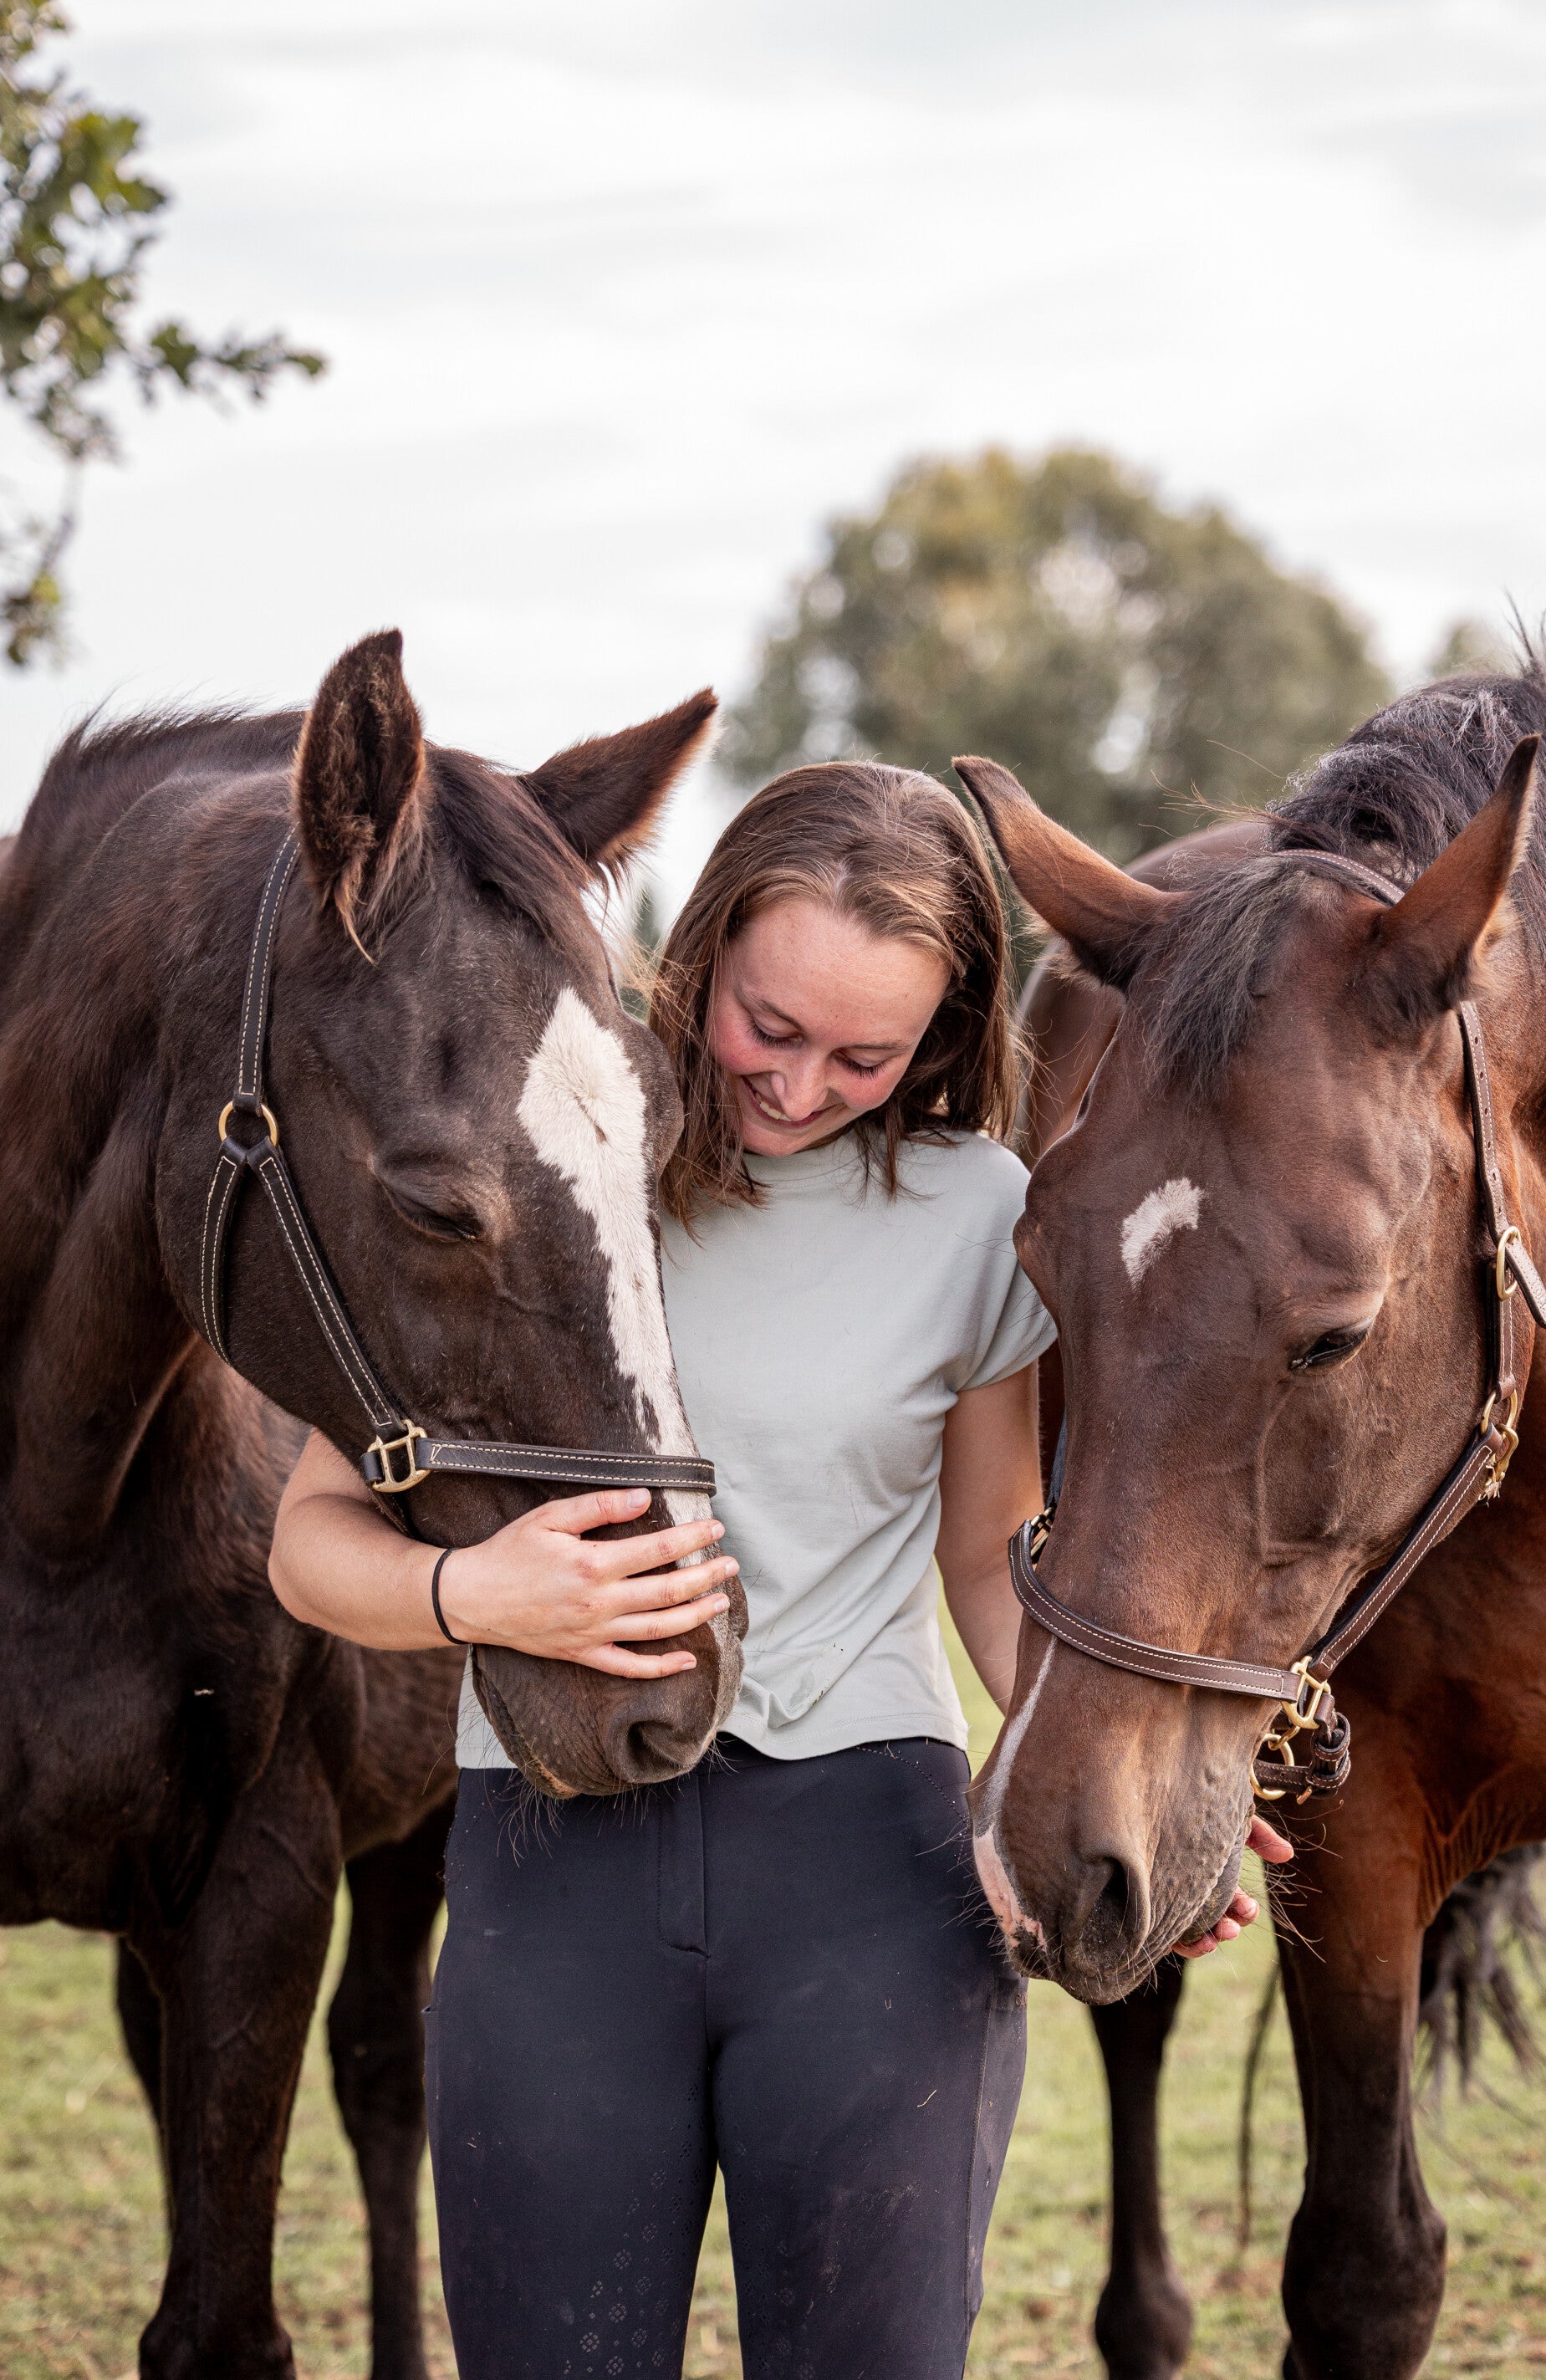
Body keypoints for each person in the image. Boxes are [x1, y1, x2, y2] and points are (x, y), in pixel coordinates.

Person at [269, 759, 1282, 2380]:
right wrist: (480, 1597)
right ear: (707, 949)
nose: (802, 1086)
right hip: (550, 1881)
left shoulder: (978, 1215)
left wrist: (1133, 1782)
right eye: (768, 1024)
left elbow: (980, 1556)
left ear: (942, 1041)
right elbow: (312, 1541)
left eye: (865, 1055)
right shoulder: (551, 1167)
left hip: (872, 1887)